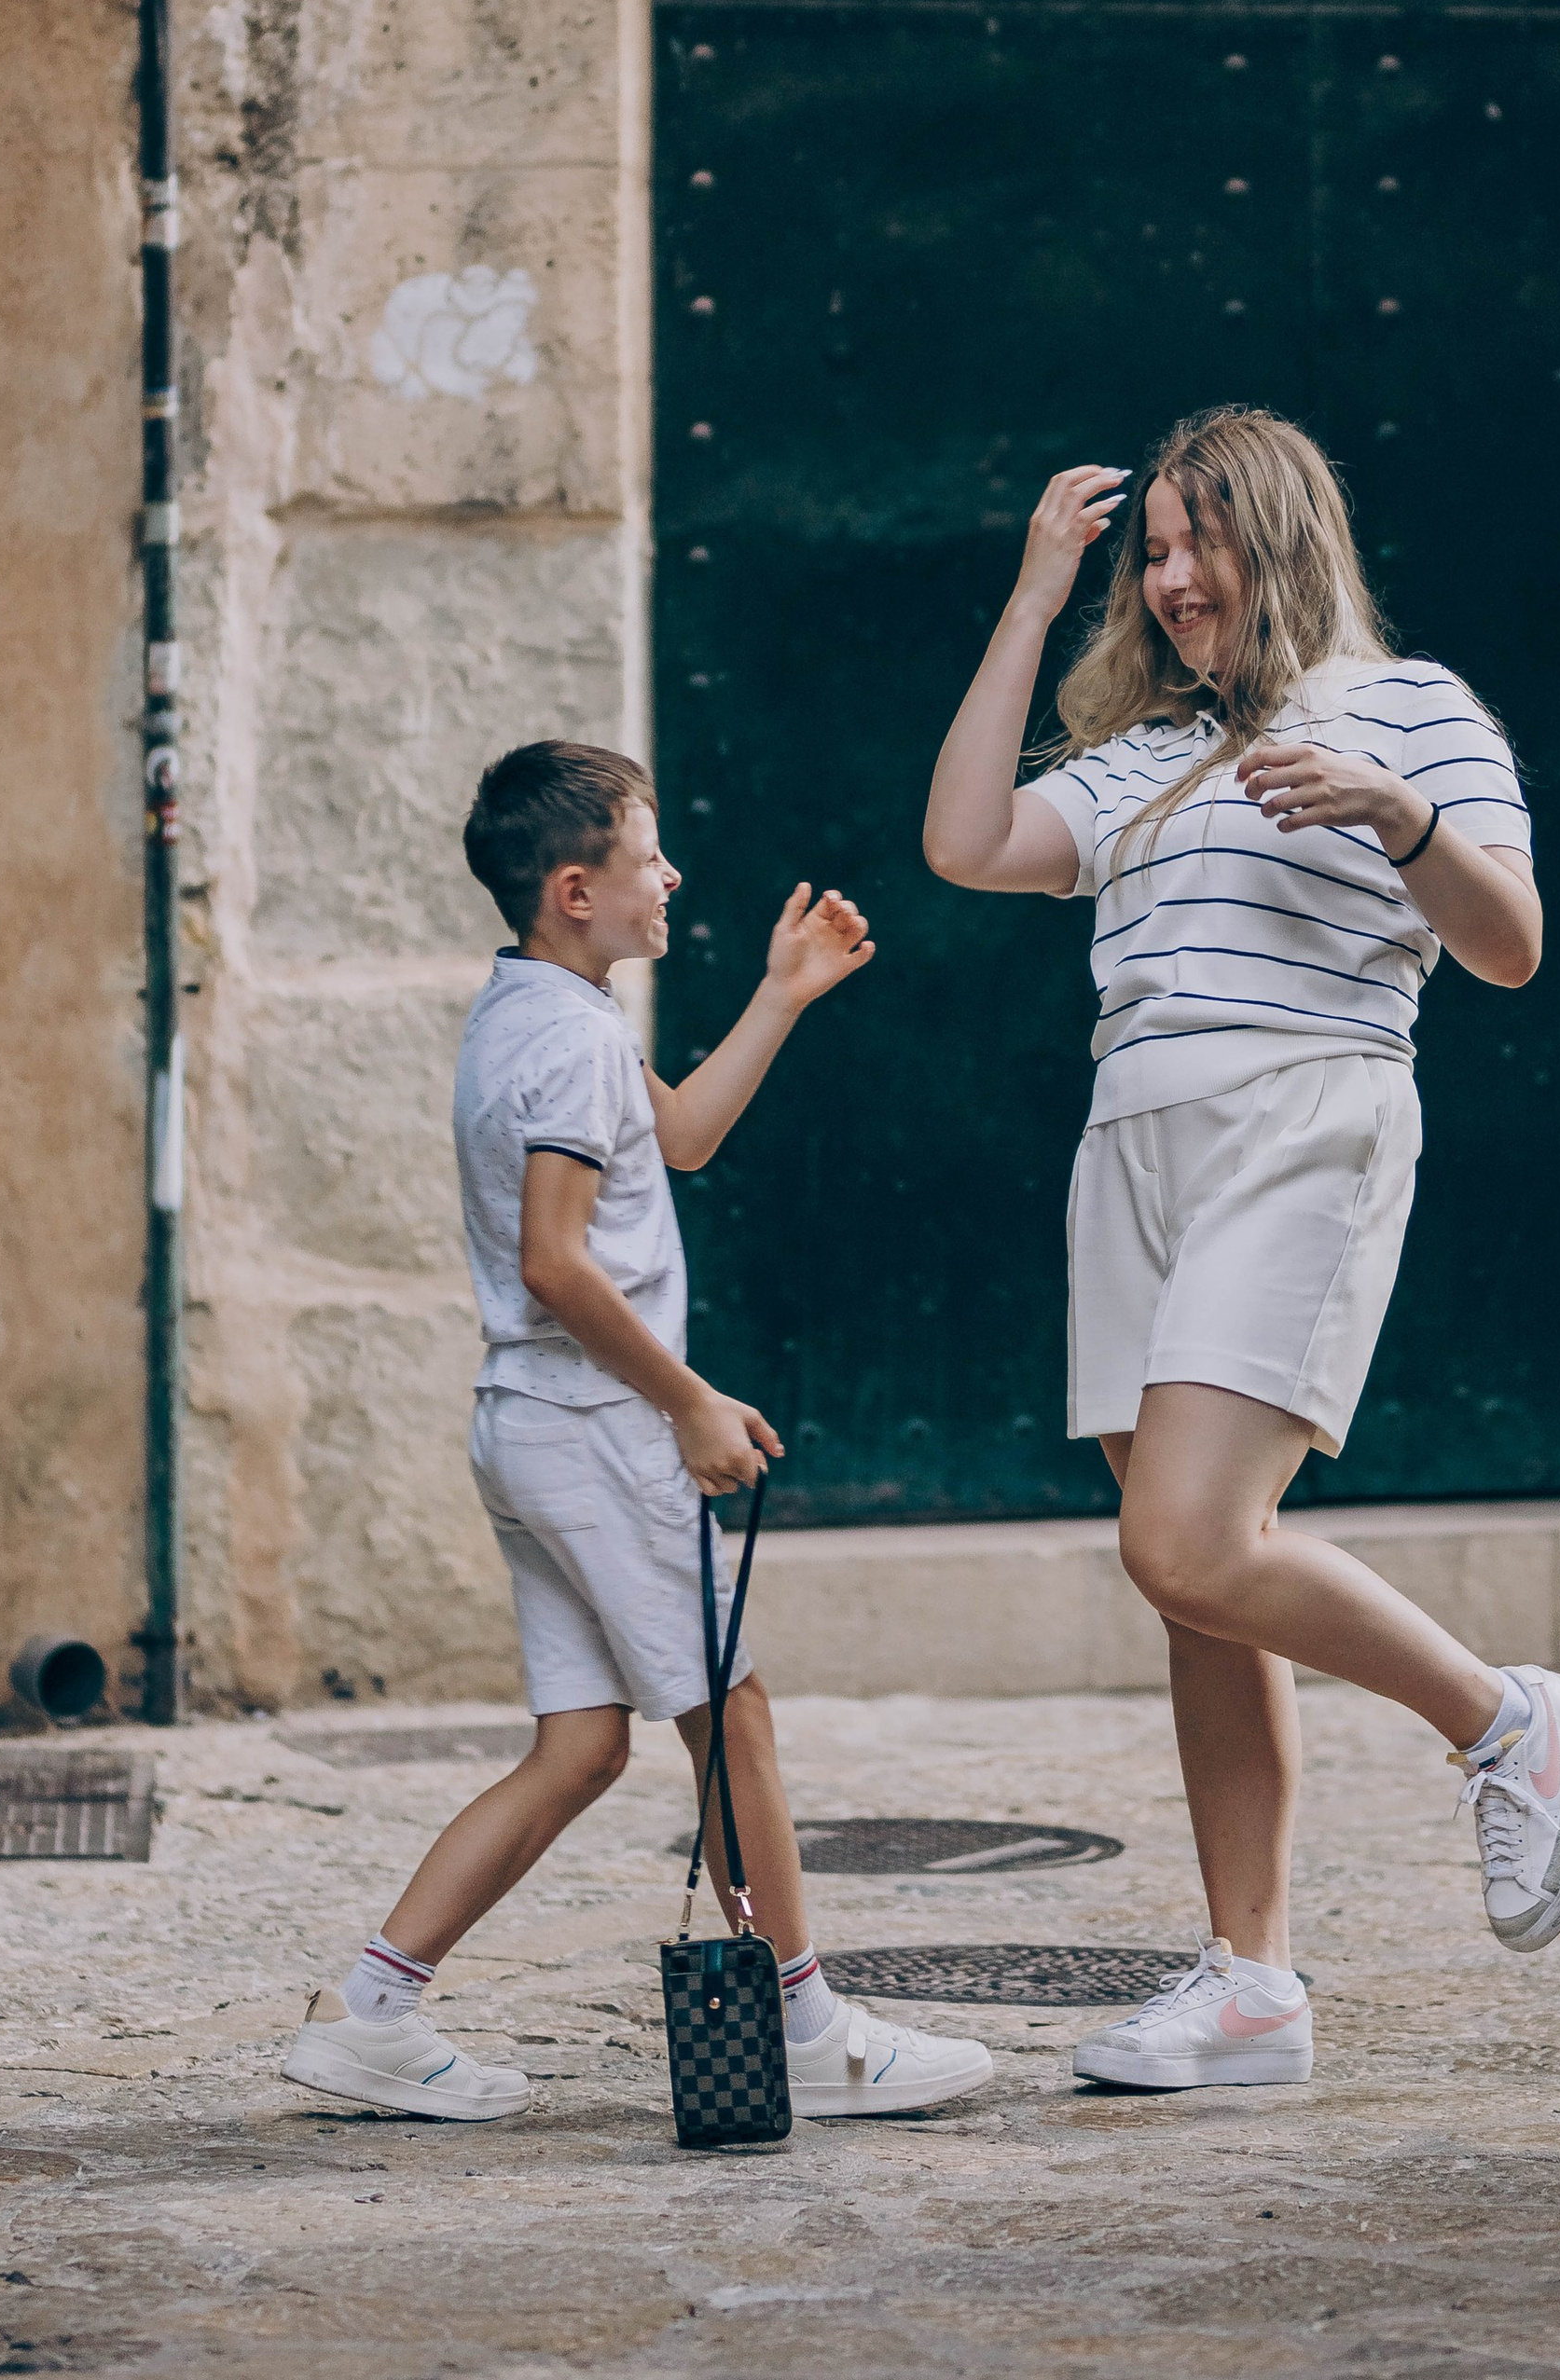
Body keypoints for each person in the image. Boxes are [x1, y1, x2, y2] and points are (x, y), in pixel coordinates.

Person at [925, 406, 1560, 2093]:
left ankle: (1502, 1718)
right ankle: (1251, 1982)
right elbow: (966, 843)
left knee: (1192, 1537)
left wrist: (1396, 815)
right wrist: (1033, 596)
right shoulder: (1149, 750)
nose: (1166, 578)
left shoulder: (1413, 708)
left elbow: (1512, 945)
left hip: (1304, 1111)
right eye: (1149, 551)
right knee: (1195, 1588)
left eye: (1193, 541)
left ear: (1277, 533)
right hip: (1132, 1139)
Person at [283, 738, 991, 2126]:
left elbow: (679, 1138)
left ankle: (370, 2013)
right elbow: (555, 1260)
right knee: (733, 1716)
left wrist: (783, 993)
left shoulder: (537, 1013)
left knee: (582, 1747)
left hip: (530, 1421)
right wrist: (686, 1400)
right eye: (647, 856)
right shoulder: (568, 1038)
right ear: (575, 890)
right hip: (595, 1426)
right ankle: (805, 2028)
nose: (671, 876)